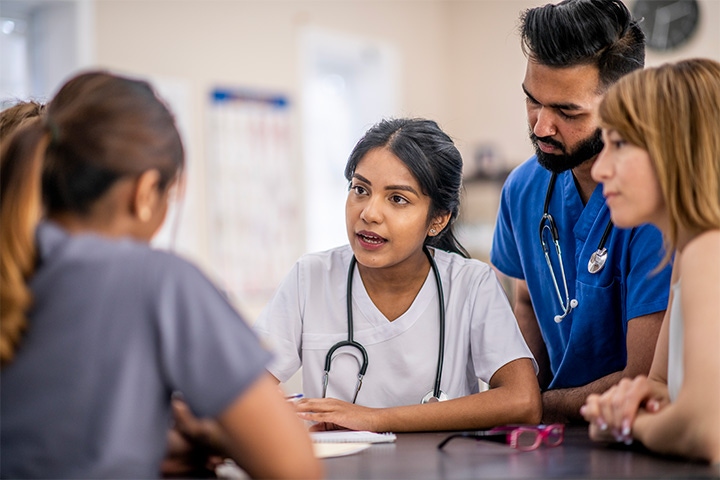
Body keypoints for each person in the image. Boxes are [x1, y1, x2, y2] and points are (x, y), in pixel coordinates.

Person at [0, 71, 321, 479]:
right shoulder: (161, 283)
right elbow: (295, 469)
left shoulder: (18, 267)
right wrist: (216, 437)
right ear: (146, 192)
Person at [254, 118, 541, 433]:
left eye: (398, 199)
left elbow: (523, 401)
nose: (369, 213)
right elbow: (240, 390)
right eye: (360, 190)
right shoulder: (311, 278)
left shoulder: (471, 284)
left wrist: (374, 419)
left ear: (438, 220)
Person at [490, 0, 672, 424]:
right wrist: (517, 395)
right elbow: (527, 303)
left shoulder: (658, 201)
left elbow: (641, 378)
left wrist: (530, 405)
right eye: (532, 101)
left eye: (567, 111)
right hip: (549, 436)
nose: (540, 127)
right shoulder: (523, 188)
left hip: (633, 431)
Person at [580, 58, 720, 464]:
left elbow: (705, 429)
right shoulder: (686, 251)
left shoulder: (708, 248)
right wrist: (634, 400)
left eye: (620, 144)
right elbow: (661, 385)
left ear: (683, 147)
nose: (601, 168)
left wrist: (625, 425)